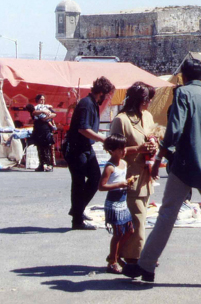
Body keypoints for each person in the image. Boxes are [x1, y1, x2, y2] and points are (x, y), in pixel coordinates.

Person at [123, 58, 201, 287]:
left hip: (185, 163)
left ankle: (146, 265)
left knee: (167, 214)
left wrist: (161, 153)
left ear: (182, 77)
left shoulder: (182, 94)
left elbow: (175, 128)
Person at [110, 82, 156, 263]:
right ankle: (134, 257)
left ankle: (120, 255)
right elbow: (113, 149)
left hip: (147, 176)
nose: (149, 102)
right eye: (146, 99)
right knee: (136, 222)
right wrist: (138, 148)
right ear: (138, 99)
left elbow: (153, 136)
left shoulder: (148, 116)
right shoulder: (121, 120)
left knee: (140, 220)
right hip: (129, 177)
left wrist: (153, 146)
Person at [64, 76, 115, 230]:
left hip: (85, 148)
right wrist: (103, 140)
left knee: (95, 179)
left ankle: (77, 210)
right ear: (101, 93)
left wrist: (103, 135)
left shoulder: (91, 104)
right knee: (80, 183)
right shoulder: (87, 104)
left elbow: (90, 128)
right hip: (76, 149)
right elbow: (83, 129)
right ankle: (77, 219)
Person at [98, 134, 135, 274]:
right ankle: (112, 262)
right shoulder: (110, 167)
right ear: (112, 150)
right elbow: (101, 186)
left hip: (122, 202)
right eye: (120, 149)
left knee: (130, 230)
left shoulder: (123, 163)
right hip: (113, 203)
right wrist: (120, 184)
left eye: (124, 148)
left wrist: (128, 183)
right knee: (118, 234)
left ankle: (115, 255)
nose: (124, 151)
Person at [25, 102, 56, 172]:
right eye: (41, 99)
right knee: (40, 149)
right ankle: (42, 165)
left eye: (43, 99)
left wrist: (46, 117)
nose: (42, 101)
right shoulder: (35, 111)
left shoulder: (47, 108)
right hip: (39, 131)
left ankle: (48, 165)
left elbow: (54, 114)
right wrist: (43, 111)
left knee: (47, 148)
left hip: (46, 131)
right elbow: (34, 113)